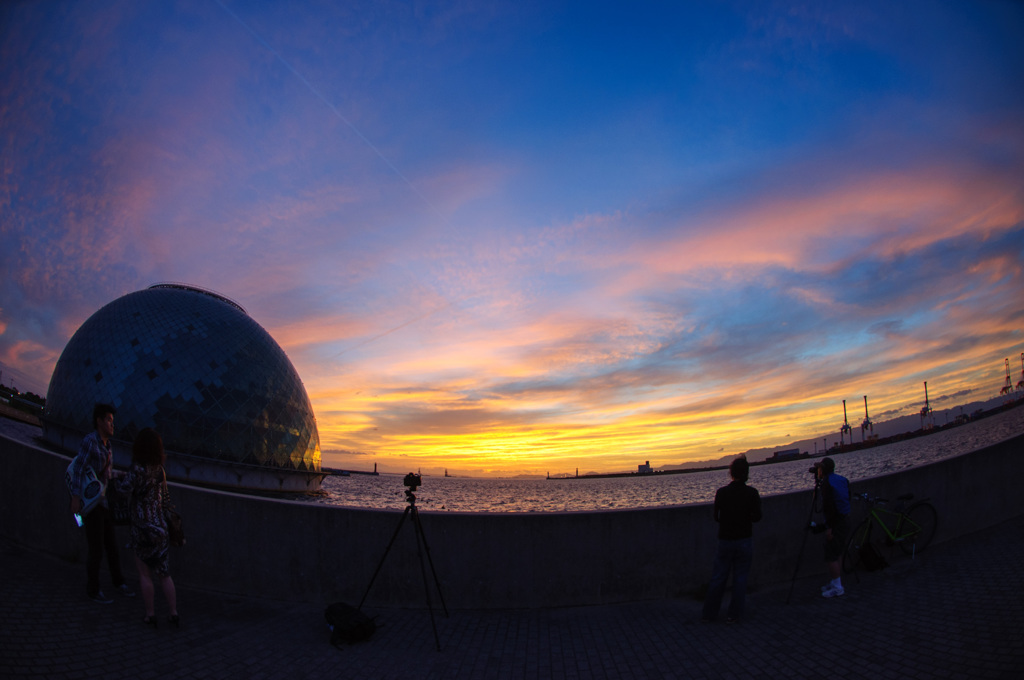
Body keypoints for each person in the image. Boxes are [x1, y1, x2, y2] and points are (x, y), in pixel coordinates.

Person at [68, 403, 135, 603]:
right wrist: (75, 497)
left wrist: (121, 474)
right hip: (91, 504)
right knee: (96, 548)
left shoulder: (108, 446)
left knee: (112, 546)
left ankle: (119, 582)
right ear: (98, 421)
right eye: (108, 420)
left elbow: (104, 475)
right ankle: (93, 589)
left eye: (112, 421)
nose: (112, 425)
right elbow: (79, 468)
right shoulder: (91, 441)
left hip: (104, 503)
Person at [114, 428, 179, 628]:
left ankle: (150, 615)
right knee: (165, 574)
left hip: (141, 529)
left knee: (145, 574)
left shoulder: (137, 470)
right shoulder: (160, 470)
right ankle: (173, 613)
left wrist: (117, 478)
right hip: (160, 528)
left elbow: (122, 492)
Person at [702, 455, 762, 623]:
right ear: (747, 474)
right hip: (744, 539)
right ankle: (733, 615)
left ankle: (709, 614)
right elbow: (757, 517)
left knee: (718, 577)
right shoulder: (752, 493)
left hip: (725, 540)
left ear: (731, 473)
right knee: (740, 578)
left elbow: (716, 517)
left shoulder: (721, 493)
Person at [815, 457, 851, 598]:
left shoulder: (827, 484)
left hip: (836, 523)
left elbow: (828, 507)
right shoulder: (842, 479)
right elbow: (847, 497)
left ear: (822, 470)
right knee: (838, 552)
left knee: (831, 555)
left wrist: (829, 528)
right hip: (845, 519)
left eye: (819, 469)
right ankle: (836, 581)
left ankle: (837, 587)